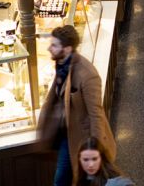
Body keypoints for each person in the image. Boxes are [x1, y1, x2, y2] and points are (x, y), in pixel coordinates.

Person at [37, 25, 116, 186]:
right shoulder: (62, 63)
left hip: (80, 137)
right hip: (65, 131)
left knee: (62, 180)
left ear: (67, 49)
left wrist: (95, 148)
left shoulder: (87, 75)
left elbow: (96, 114)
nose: (49, 48)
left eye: (54, 45)